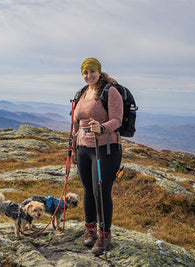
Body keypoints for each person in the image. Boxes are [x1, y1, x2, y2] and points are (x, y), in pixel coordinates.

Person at [71, 57, 123, 255]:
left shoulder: (111, 91)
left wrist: (102, 128)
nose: (88, 75)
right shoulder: (82, 93)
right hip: (84, 147)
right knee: (87, 190)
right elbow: (75, 121)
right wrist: (74, 147)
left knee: (101, 191)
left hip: (105, 148)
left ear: (99, 72)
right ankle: (90, 229)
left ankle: (105, 235)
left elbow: (117, 120)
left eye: (92, 71)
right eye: (85, 72)